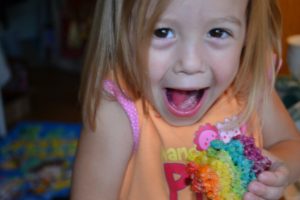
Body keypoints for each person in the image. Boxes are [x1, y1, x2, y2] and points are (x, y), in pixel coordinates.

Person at [71, 0, 300, 199]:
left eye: (217, 32)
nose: (191, 64)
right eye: (162, 32)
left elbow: (293, 147)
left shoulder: (250, 84)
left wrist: (280, 169)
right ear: (121, 29)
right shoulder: (117, 108)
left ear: (248, 32)